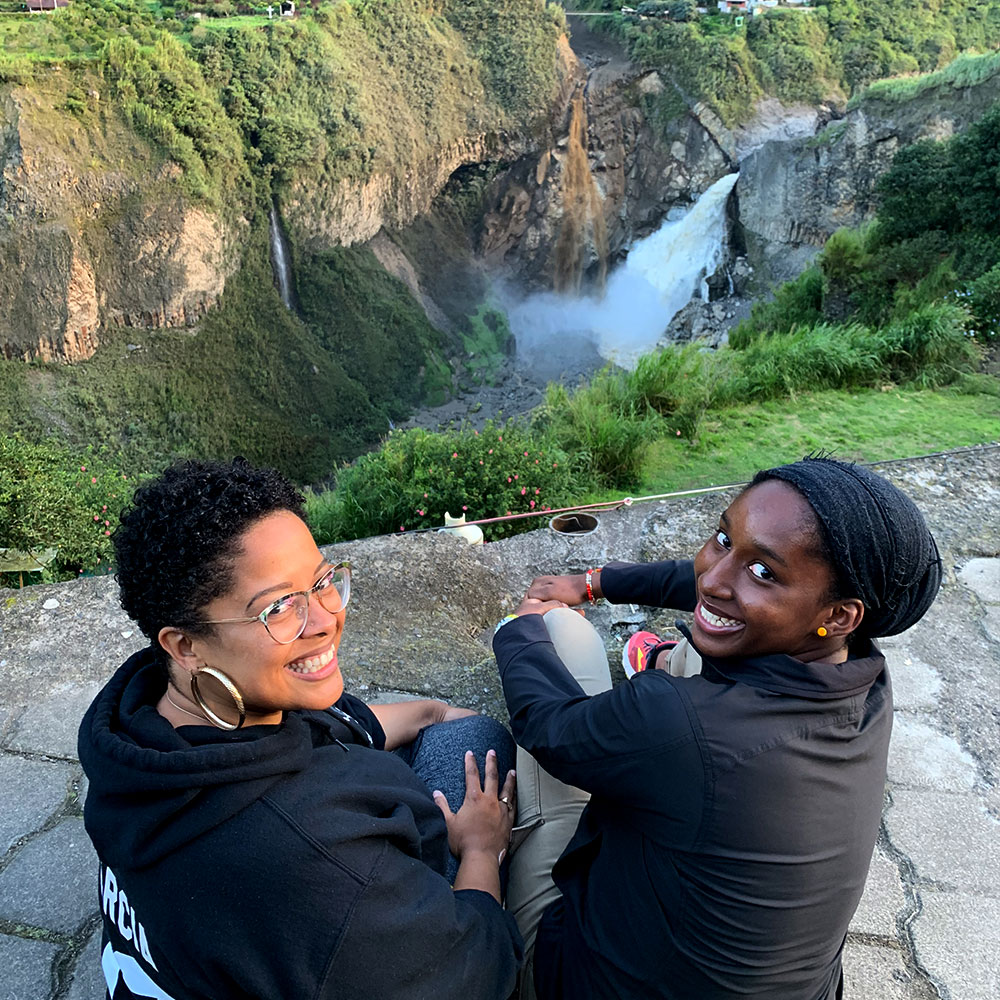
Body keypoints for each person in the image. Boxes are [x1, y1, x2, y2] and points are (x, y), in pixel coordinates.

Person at [493, 456, 942, 1000]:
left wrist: (521, 628)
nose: (714, 575)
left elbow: (546, 726)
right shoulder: (863, 676)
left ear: (842, 613)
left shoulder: (686, 723)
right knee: (708, 635)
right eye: (724, 538)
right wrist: (595, 582)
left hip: (584, 977)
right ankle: (666, 662)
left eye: (763, 572)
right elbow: (715, 580)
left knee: (564, 637)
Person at [78, 459, 521, 1000]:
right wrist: (479, 848)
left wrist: (430, 711)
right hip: (345, 918)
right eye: (279, 608)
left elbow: (336, 724)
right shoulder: (314, 863)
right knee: (480, 742)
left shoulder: (143, 732)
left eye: (322, 582)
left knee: (449, 727)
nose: (325, 619)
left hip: (246, 934)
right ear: (186, 645)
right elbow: (477, 974)